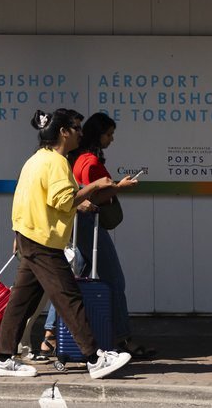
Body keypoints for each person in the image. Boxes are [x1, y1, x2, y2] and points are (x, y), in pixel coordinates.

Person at [0, 108, 133, 381]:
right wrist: (95, 186)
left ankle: (4, 358)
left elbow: (25, 198)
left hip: (28, 236)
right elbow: (64, 201)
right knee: (69, 298)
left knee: (20, 301)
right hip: (44, 241)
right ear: (63, 132)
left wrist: (16, 234)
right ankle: (95, 358)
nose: (81, 132)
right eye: (76, 128)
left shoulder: (36, 159)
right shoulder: (56, 162)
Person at [36, 112, 145, 360]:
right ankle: (122, 338)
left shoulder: (72, 159)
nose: (112, 139)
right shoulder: (88, 161)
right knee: (114, 279)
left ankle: (50, 338)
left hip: (75, 226)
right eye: (109, 134)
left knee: (70, 282)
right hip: (88, 227)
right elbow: (91, 198)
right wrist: (119, 187)